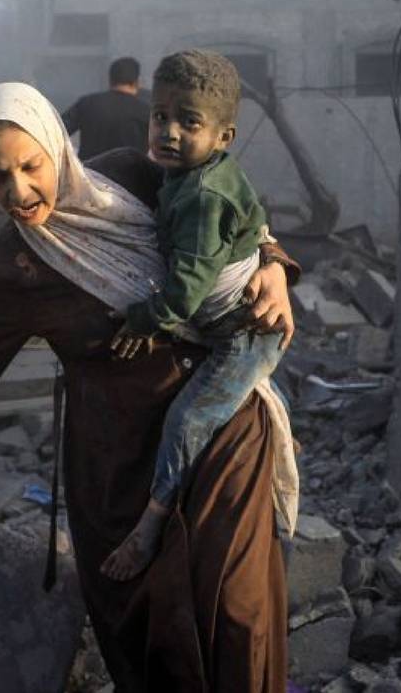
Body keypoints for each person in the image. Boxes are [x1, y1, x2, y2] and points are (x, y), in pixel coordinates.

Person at [0, 82, 299, 692]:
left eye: (30, 167)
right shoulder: (8, 267)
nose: (19, 192)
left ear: (58, 150)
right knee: (151, 626)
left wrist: (274, 265)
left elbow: (229, 208)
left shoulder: (130, 177)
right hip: (116, 460)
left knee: (235, 609)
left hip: (221, 425)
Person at [100, 49, 288, 582]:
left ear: (224, 138)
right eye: (161, 117)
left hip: (242, 334)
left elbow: (183, 296)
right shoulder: (189, 175)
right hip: (230, 318)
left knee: (186, 420)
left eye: (190, 122)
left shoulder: (202, 197)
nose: (171, 132)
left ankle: (150, 525)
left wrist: (141, 318)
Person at [62, 56, 150, 160]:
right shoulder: (146, 110)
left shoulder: (87, 104)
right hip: (131, 173)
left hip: (90, 172)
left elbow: (58, 129)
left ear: (110, 80)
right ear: (137, 82)